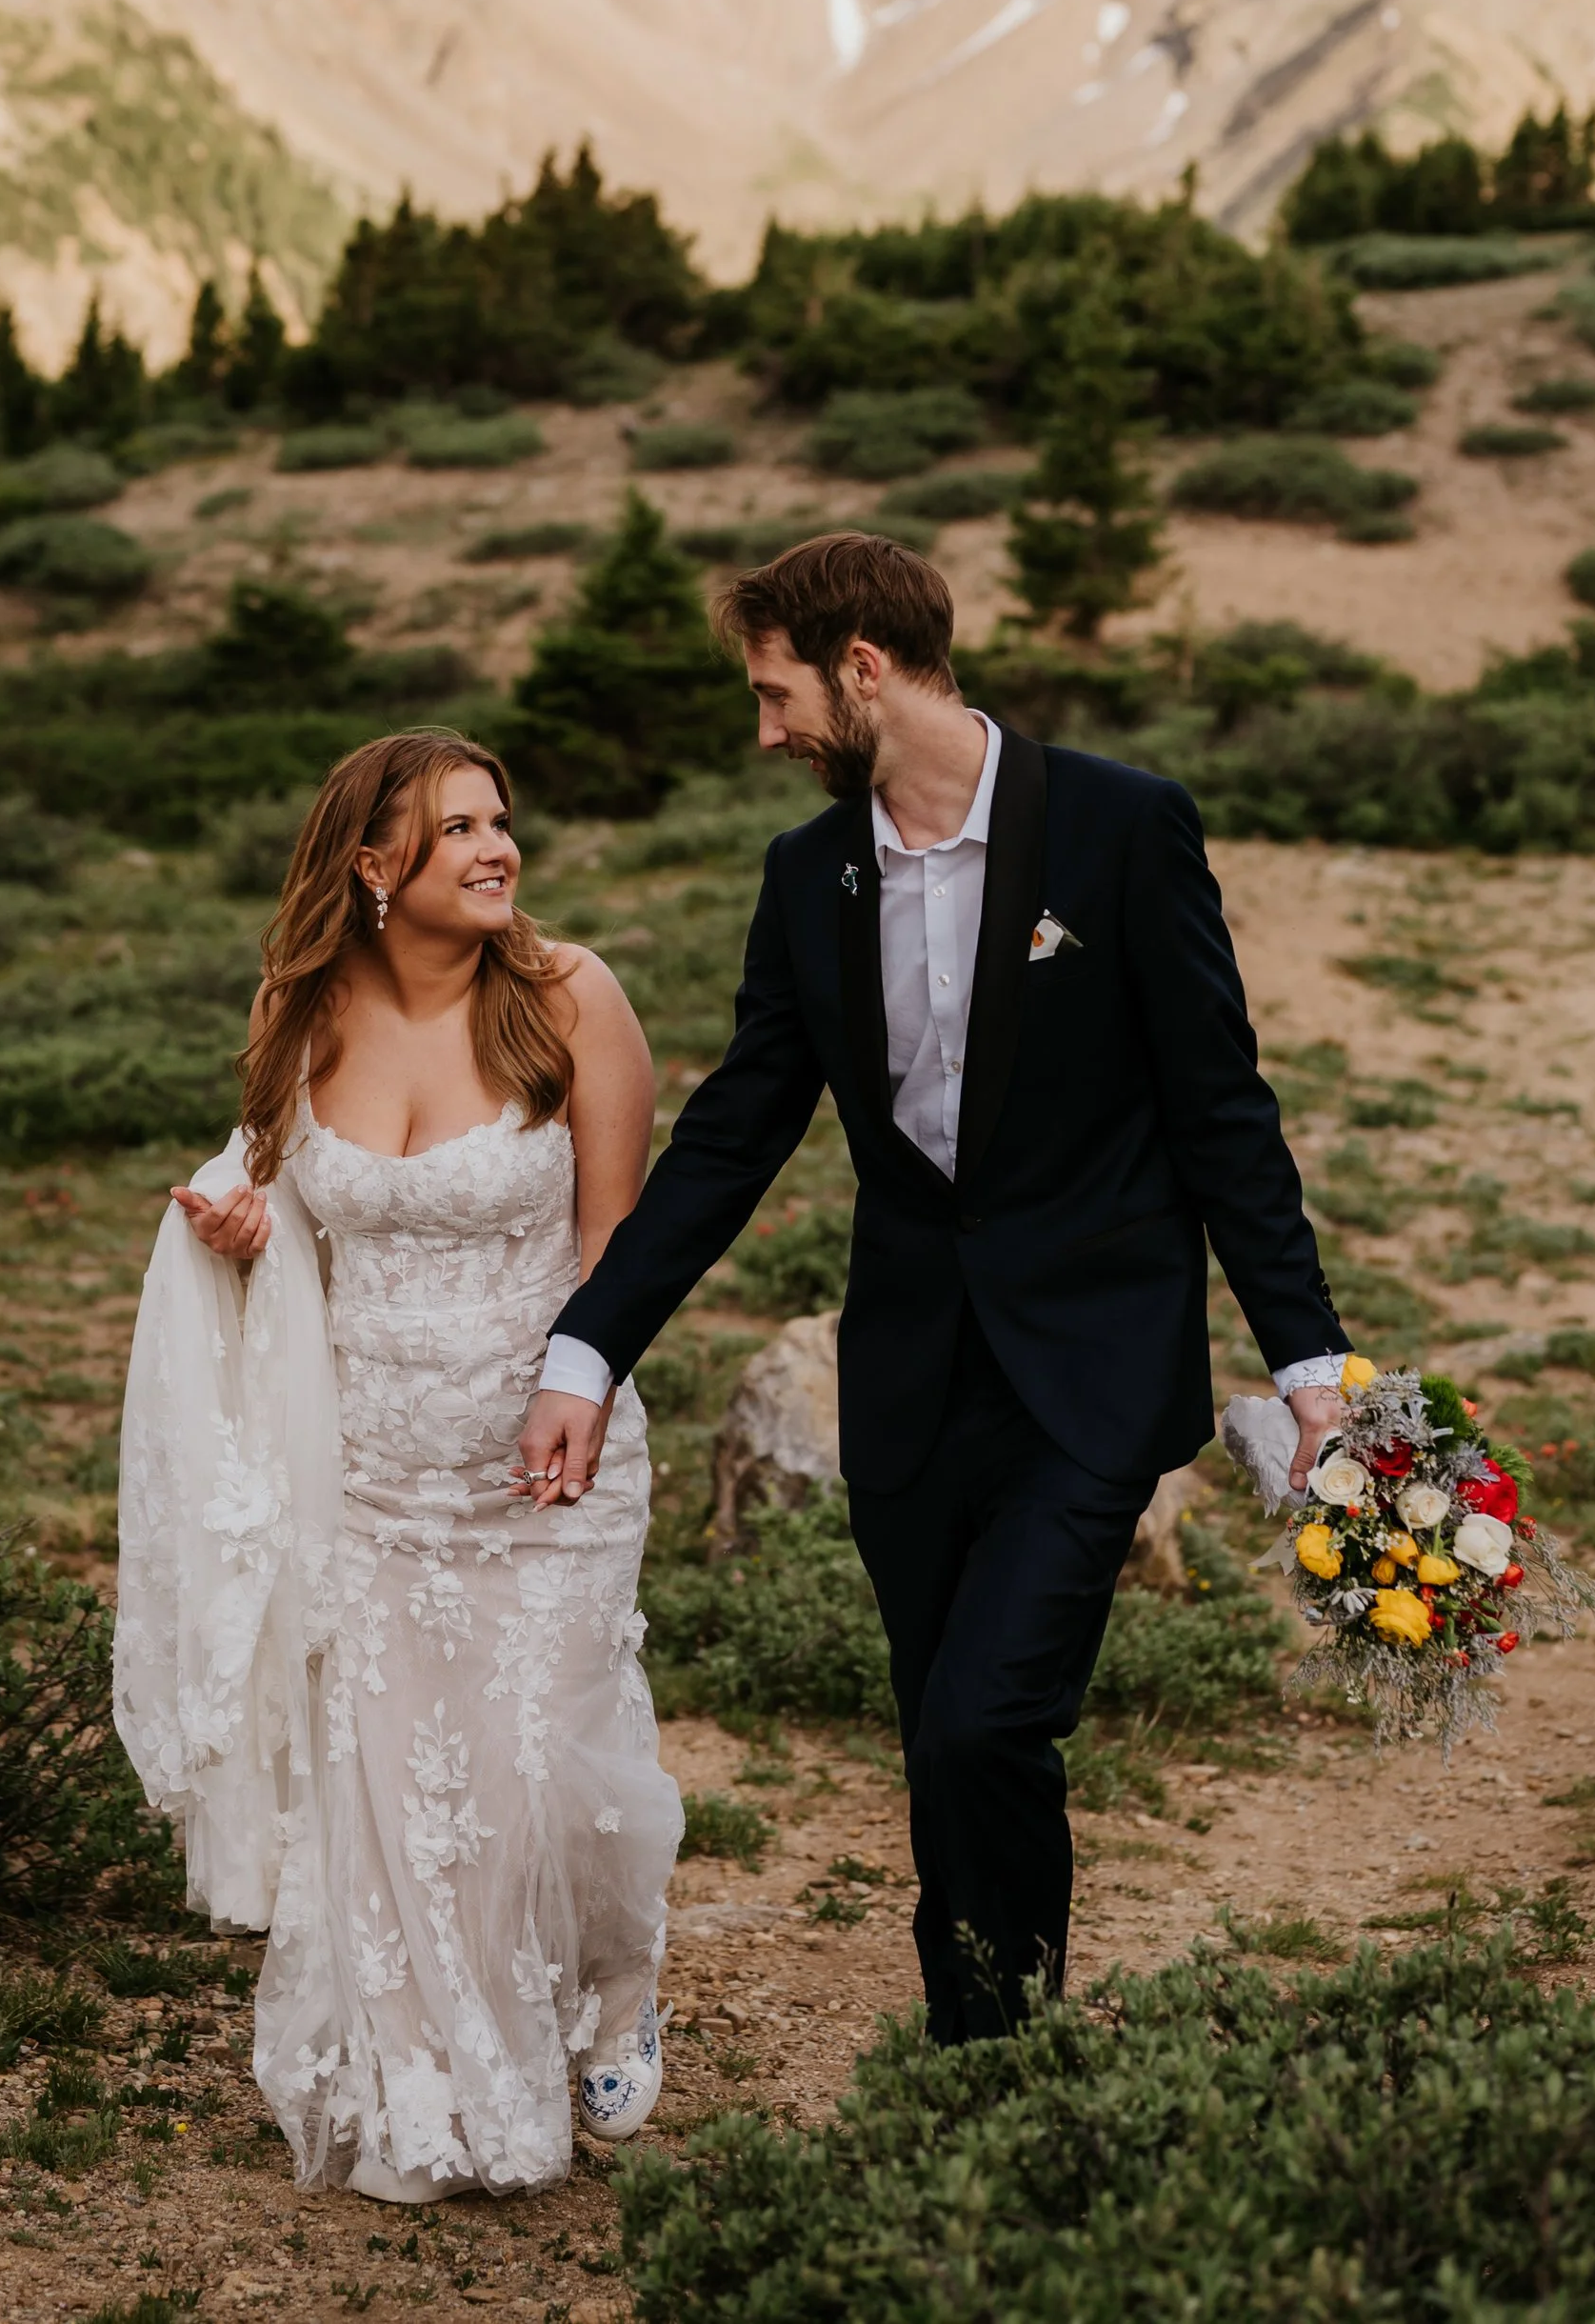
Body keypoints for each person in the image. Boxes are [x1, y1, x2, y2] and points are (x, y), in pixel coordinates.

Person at [517, 533, 1349, 2042]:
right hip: (908, 1380)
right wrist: (590, 1349)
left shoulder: (1120, 827)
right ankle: (989, 2061)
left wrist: (1311, 1371)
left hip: (1094, 1370)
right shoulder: (807, 874)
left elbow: (1223, 1109)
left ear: (865, 668)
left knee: (987, 1721)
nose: (764, 733)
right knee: (944, 1745)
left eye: (777, 697)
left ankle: (993, 2055)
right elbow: (730, 1139)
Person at [114, 728, 682, 2200]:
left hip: (545, 1460)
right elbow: (279, 1209)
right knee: (410, 1802)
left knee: (551, 1783)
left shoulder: (570, 1000)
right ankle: (438, 2084)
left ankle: (620, 1985)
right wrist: (240, 1231)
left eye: (502, 823)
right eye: (456, 832)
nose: (498, 850)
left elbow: (621, 1239)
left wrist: (590, 1386)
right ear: (374, 869)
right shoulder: (300, 1019)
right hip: (367, 1475)